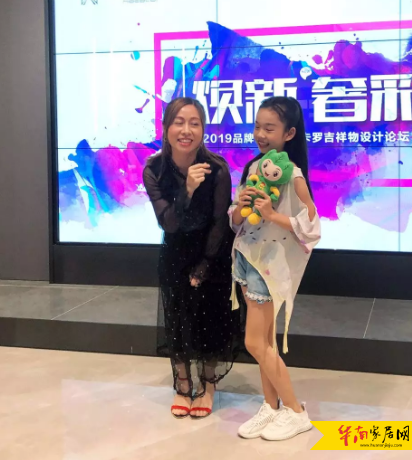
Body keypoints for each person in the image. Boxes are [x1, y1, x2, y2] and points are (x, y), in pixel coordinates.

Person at [229, 96, 321, 441]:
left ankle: (296, 411)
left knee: (254, 342)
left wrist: (271, 215)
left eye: (269, 128)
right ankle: (270, 405)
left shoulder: (294, 175)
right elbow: (236, 221)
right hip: (246, 258)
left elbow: (311, 226)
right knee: (265, 341)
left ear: (289, 133)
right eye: (257, 126)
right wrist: (239, 208)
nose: (260, 134)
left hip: (269, 267)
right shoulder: (254, 168)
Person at [143, 97, 236, 420]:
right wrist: (188, 189)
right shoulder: (154, 169)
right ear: (166, 128)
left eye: (194, 123)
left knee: (211, 318)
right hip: (175, 251)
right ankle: (183, 385)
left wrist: (206, 264)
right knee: (177, 317)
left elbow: (220, 221)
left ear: (203, 129)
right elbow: (168, 222)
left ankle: (208, 385)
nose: (186, 130)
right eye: (179, 122)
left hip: (212, 251)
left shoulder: (217, 168)